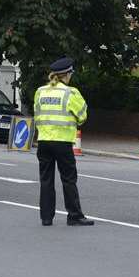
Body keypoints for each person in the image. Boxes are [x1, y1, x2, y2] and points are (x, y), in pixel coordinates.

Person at [33, 57, 94, 227]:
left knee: (46, 180)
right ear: (67, 75)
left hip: (44, 141)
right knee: (68, 179)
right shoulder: (70, 93)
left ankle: (46, 218)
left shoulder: (40, 91)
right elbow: (83, 115)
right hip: (63, 142)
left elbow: (37, 115)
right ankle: (74, 215)